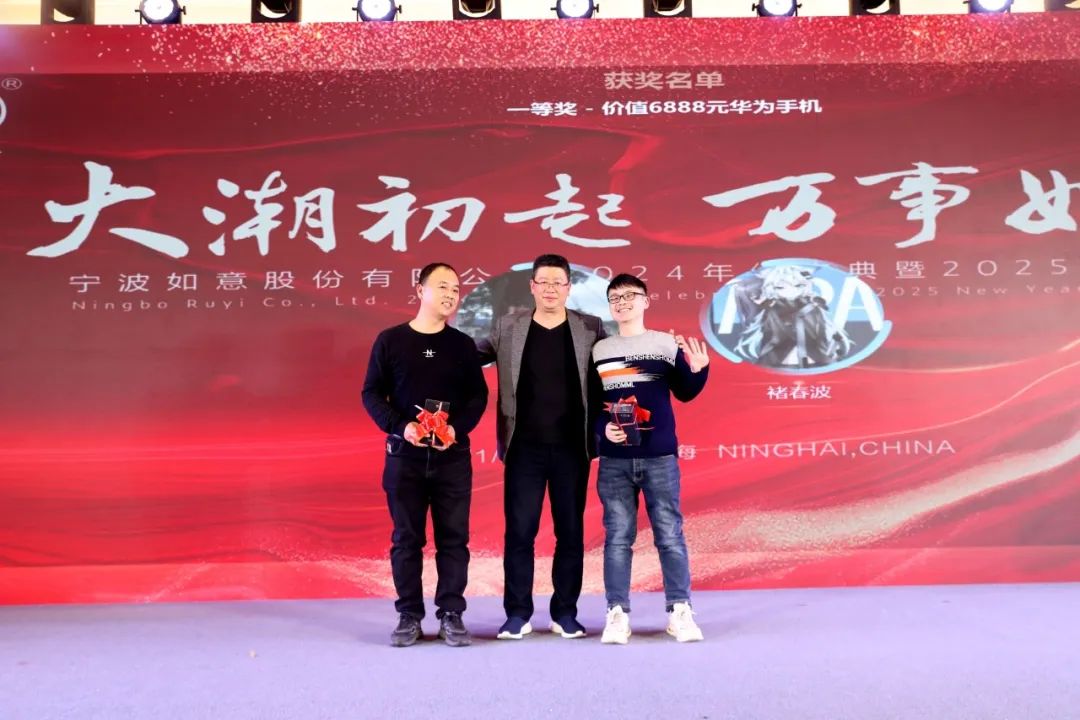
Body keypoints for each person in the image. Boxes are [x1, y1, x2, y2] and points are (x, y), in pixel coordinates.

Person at [477, 254, 606, 640]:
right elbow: (468, 356)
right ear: (532, 287)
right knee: (520, 533)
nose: (551, 289)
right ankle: (517, 613)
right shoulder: (508, 327)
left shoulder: (590, 328)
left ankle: (565, 613)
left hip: (572, 449)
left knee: (570, 533)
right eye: (543, 282)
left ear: (568, 287)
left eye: (558, 282)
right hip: (524, 449)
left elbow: (615, 368)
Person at [361, 262, 488, 648]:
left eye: (456, 289)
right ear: (420, 290)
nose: (451, 295)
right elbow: (371, 393)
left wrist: (455, 430)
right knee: (406, 539)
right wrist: (402, 427)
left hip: (452, 458)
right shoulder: (391, 340)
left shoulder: (462, 345)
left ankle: (451, 613)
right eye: (443, 286)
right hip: (405, 457)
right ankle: (408, 615)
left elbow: (477, 397)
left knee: (454, 540)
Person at [591, 273, 709, 644]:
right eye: (615, 298)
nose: (622, 302)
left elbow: (686, 392)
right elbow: (592, 405)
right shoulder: (600, 350)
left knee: (669, 535)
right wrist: (603, 430)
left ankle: (679, 610)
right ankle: (616, 613)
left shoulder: (663, 344)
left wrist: (700, 369)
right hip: (614, 461)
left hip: (659, 457)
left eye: (630, 295)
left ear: (645, 301)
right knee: (617, 538)